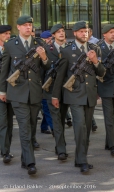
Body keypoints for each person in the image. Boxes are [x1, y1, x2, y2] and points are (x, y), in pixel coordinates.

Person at [51, 21, 105, 173]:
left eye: (86, 31)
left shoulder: (95, 48)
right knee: (80, 126)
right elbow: (60, 76)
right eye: (81, 31)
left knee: (86, 129)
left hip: (90, 95)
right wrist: (55, 96)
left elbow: (101, 72)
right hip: (73, 94)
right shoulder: (67, 50)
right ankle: (82, 161)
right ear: (74, 33)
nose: (84, 34)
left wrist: (95, 61)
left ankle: (80, 158)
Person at [0, 15, 51, 175]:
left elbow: (47, 66)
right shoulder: (10, 45)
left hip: (35, 92)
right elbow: (4, 70)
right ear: (19, 27)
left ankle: (24, 159)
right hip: (17, 92)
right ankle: (30, 162)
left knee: (32, 126)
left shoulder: (39, 44)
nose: (29, 27)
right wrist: (2, 90)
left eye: (30, 25)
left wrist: (43, 57)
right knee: (24, 128)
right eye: (25, 25)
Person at [43, 23, 69, 160]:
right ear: (53, 35)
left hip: (66, 89)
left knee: (62, 119)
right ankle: (61, 150)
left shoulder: (70, 48)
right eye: (58, 32)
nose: (61, 33)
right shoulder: (47, 49)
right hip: (52, 89)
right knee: (57, 121)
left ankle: (60, 145)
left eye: (63, 31)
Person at [97, 24, 114, 155]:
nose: (113, 34)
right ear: (104, 34)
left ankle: (108, 142)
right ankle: (112, 145)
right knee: (109, 117)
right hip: (105, 86)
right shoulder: (99, 48)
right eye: (111, 32)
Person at [0, 25, 14, 164]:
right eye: (5, 34)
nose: (8, 36)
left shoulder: (11, 49)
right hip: (0, 91)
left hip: (11, 90)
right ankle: (5, 152)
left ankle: (6, 149)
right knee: (3, 122)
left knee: (9, 122)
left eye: (9, 33)